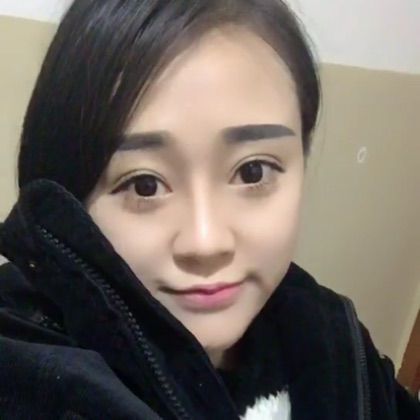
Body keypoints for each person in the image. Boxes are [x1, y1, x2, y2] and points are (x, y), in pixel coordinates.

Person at [0, 1, 418, 419]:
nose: (207, 242)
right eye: (145, 185)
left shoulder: (338, 343)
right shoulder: (33, 375)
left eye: (253, 171)